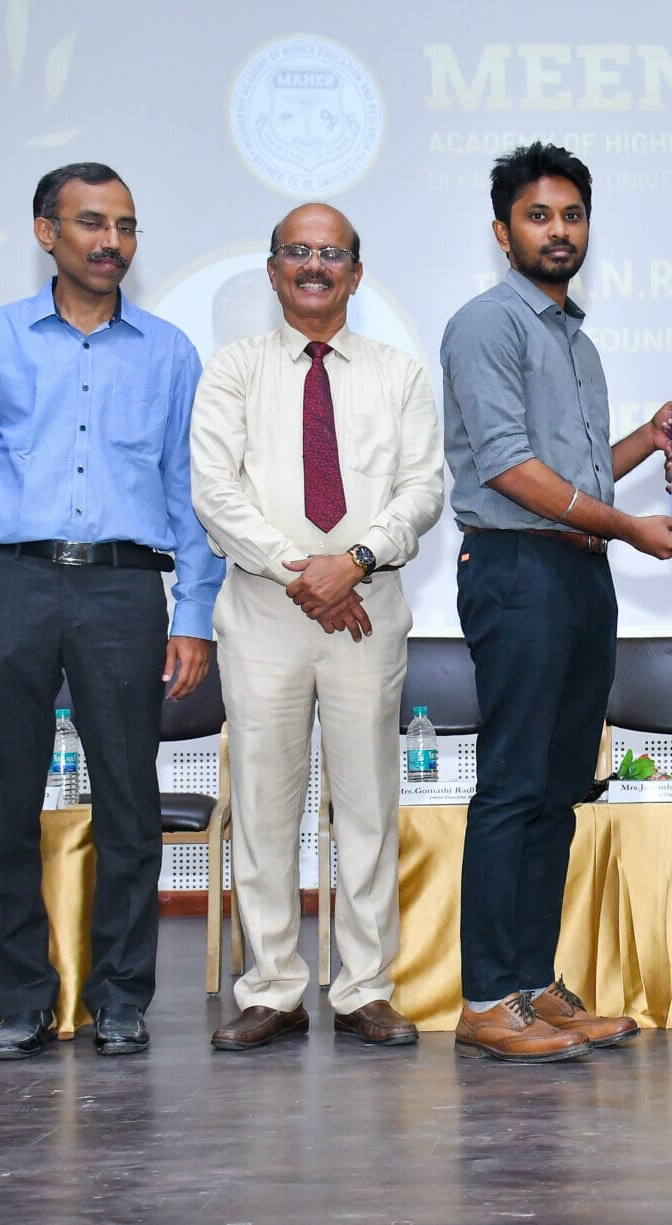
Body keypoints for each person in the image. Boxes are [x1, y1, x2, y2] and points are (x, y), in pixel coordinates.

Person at [0, 162, 223, 1060]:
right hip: (10, 583)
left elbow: (189, 488)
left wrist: (193, 610)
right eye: (92, 223)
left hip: (125, 590)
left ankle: (120, 999)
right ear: (46, 232)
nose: (111, 242)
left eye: (125, 226)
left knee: (129, 802)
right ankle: (20, 1000)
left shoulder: (169, 351)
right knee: (7, 798)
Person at [442, 141, 672, 1063]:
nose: (559, 231)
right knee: (514, 785)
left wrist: (648, 439)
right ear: (502, 230)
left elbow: (575, 476)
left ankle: (530, 982)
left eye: (573, 215)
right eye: (539, 216)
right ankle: (484, 999)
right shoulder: (488, 324)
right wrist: (628, 527)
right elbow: (509, 470)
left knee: (558, 789)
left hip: (579, 575)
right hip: (519, 572)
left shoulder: (574, 341)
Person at [190, 204, 444, 1051]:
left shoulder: (399, 374)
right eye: (297, 251)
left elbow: (423, 488)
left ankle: (365, 987)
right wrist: (303, 572)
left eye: (331, 253)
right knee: (264, 807)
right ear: (271, 270)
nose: (313, 265)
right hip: (265, 615)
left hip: (367, 612)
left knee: (368, 806)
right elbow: (214, 491)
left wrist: (356, 561)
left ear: (356, 274)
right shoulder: (233, 370)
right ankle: (270, 989)